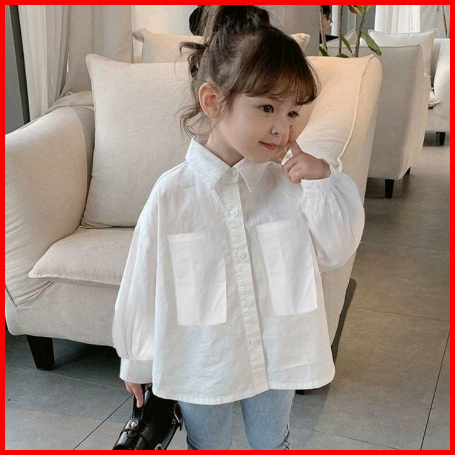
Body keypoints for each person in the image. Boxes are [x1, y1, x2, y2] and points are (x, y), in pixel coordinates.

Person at [112, 5, 365, 450]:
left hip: (279, 352)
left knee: (271, 442)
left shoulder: (292, 186)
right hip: (203, 358)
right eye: (267, 107)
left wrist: (324, 178)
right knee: (207, 444)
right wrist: (137, 359)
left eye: (292, 113)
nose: (282, 128)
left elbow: (335, 248)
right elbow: (142, 279)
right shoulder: (172, 195)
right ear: (213, 101)